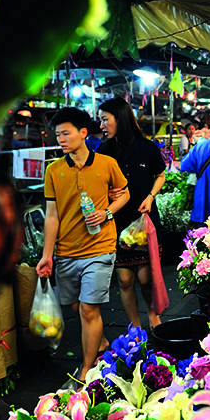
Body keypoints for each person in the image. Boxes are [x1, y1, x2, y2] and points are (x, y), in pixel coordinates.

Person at [37, 107, 130, 382]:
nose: (61, 139)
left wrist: (107, 212)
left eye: (66, 133)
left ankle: (87, 368)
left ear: (83, 133)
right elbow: (52, 215)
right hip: (67, 251)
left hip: (100, 246)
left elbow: (124, 194)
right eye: (58, 135)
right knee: (76, 307)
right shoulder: (53, 171)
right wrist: (47, 255)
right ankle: (99, 341)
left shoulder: (106, 163)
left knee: (89, 308)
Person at [98, 97, 167, 329]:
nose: (102, 126)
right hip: (116, 222)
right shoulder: (104, 151)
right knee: (125, 279)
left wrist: (150, 197)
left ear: (120, 119)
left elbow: (160, 175)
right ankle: (134, 328)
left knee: (146, 277)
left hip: (144, 219)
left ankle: (153, 316)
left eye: (105, 120)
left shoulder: (147, 147)